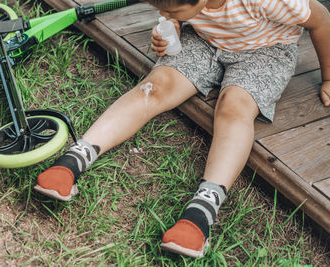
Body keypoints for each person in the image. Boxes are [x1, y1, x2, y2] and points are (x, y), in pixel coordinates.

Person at [34, 0, 330, 258]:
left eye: (169, 8)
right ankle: (76, 157)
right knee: (154, 87)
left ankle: (203, 209)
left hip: (266, 50)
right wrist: (173, 22)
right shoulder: (187, 4)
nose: (161, 12)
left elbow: (321, 20)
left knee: (234, 107)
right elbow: (177, 12)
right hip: (203, 39)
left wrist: (328, 77)